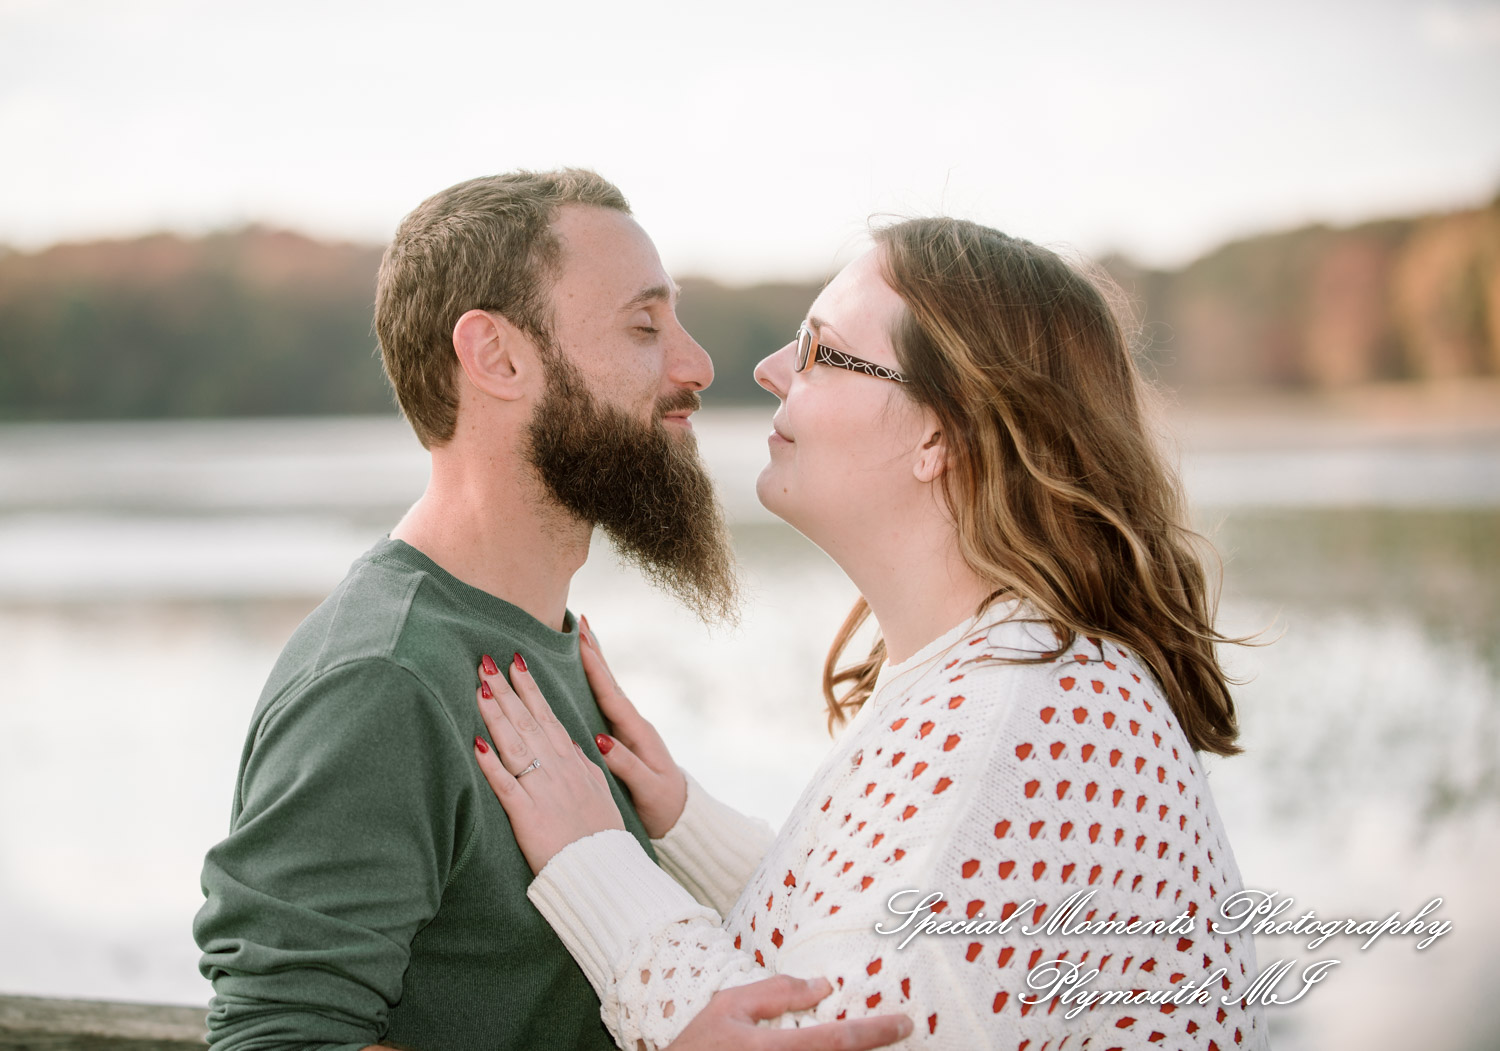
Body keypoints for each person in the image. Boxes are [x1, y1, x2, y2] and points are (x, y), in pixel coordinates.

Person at [469, 217, 1272, 1049]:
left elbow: (842, 1030)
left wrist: (597, 864)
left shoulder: (1021, 727)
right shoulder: (1014, 670)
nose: (770, 371)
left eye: (820, 351)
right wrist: (680, 823)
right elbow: (895, 942)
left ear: (940, 435)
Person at [192, 169, 912, 1051]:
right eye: (645, 326)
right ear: (497, 356)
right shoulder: (381, 680)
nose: (696, 365)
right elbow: (277, 1040)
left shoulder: (550, 645)